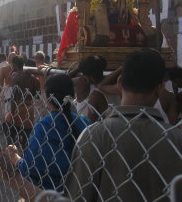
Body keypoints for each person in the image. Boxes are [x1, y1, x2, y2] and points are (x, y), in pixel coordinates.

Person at [64, 49, 182, 201]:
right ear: (159, 88)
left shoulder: (93, 135)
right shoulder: (176, 140)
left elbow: (77, 195)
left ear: (120, 83)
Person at [0, 74, 90, 191]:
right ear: (72, 95)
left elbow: (28, 168)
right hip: (80, 188)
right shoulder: (84, 122)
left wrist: (13, 156)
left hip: (50, 191)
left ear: (47, 96)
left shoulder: (45, 125)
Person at [5, 55, 40, 150]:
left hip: (17, 108)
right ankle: (24, 153)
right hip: (29, 108)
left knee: (10, 133)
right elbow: (37, 95)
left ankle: (12, 152)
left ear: (14, 65)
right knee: (26, 135)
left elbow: (13, 96)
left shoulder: (15, 76)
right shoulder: (34, 79)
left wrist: (12, 114)